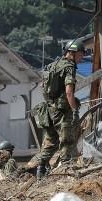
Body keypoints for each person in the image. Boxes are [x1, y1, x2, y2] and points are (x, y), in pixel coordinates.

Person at [32, 39, 85, 178]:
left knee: (51, 140)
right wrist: (75, 110)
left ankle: (40, 170)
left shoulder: (53, 65)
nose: (82, 57)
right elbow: (69, 92)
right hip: (62, 112)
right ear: (72, 53)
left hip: (50, 109)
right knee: (67, 140)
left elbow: (42, 86)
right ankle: (66, 171)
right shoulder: (69, 67)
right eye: (80, 54)